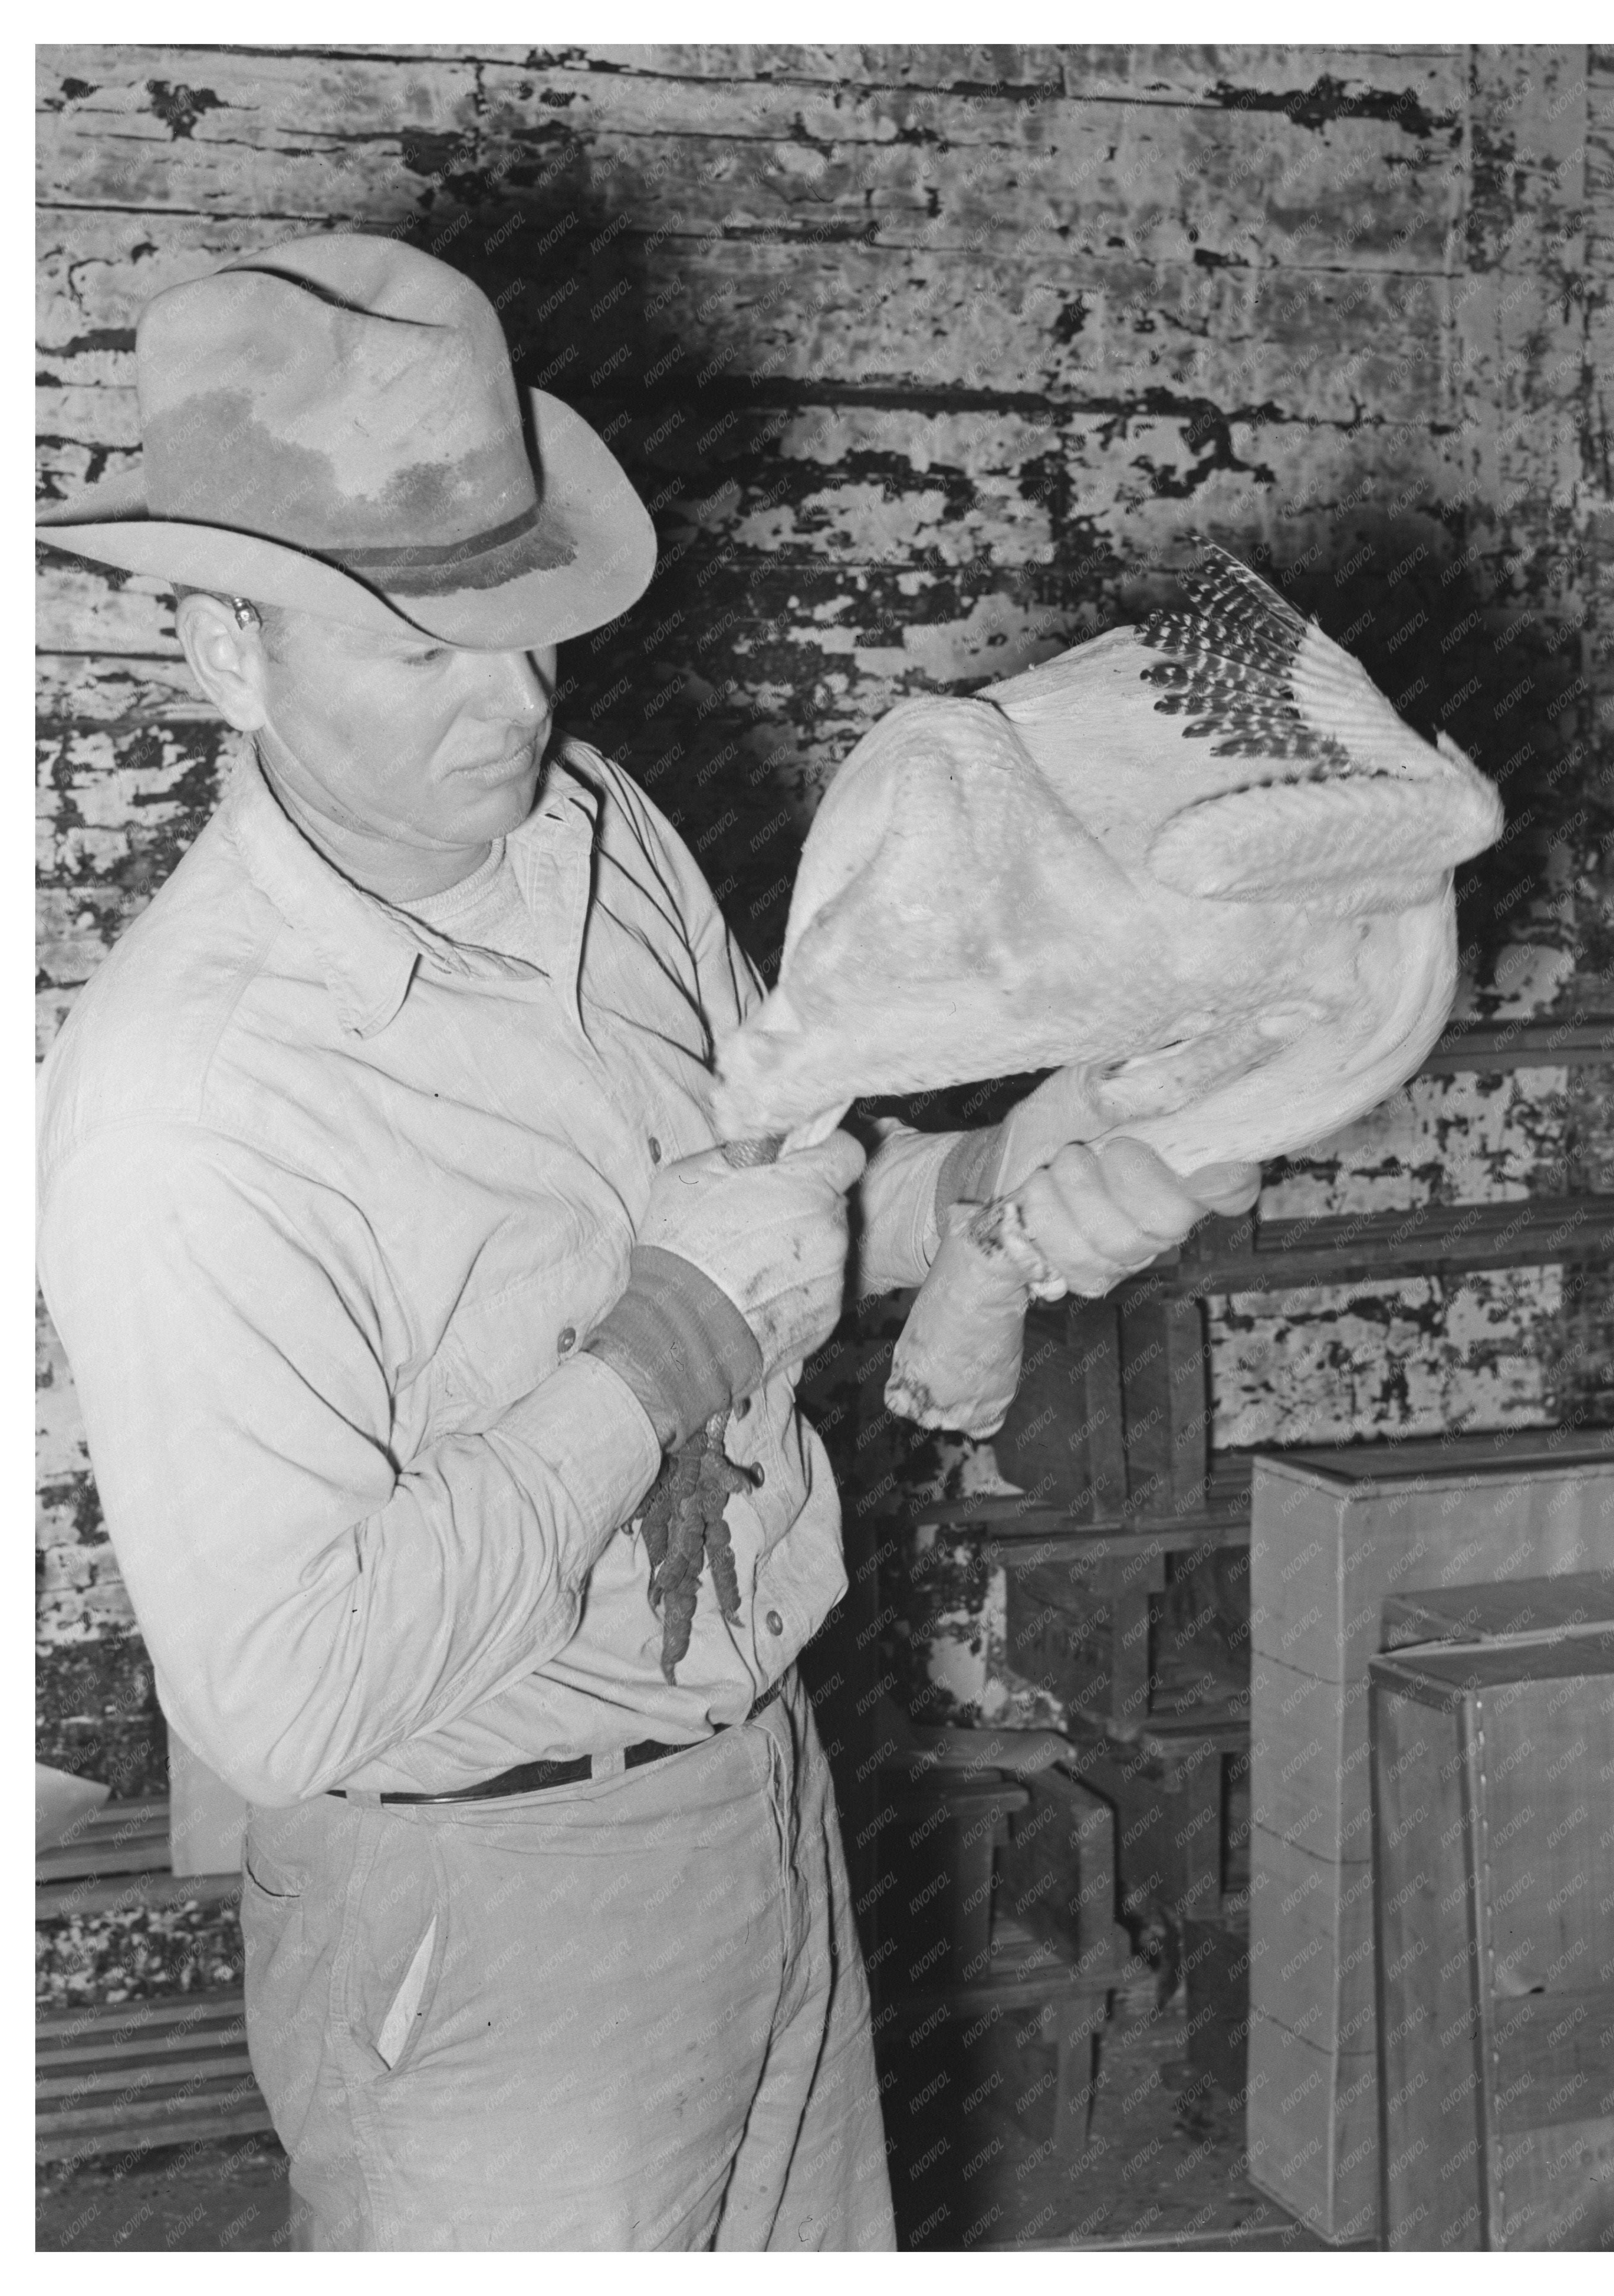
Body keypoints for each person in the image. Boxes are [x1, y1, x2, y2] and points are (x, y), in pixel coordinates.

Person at [35, 233, 1255, 2250]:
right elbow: (283, 1692)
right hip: (478, 1914)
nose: (514, 700)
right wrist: (668, 1343)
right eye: (420, 651)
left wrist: (983, 1192)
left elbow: (764, 1234)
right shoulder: (190, 1097)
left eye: (521, 626)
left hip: (757, 1792)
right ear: (225, 653)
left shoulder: (596, 831)